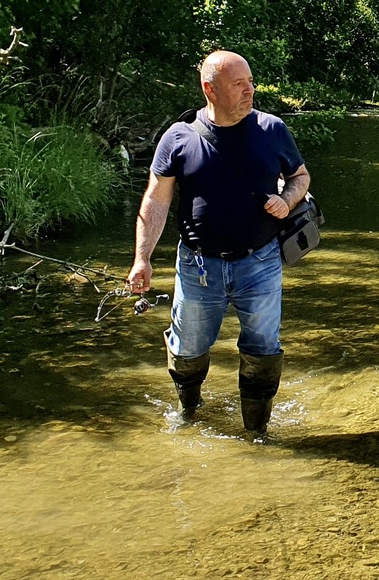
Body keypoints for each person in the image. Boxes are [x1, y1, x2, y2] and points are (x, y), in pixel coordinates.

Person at [127, 50, 311, 434]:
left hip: (259, 261)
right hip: (197, 266)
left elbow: (300, 176)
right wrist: (142, 260)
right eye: (239, 84)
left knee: (263, 350)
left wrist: (288, 199)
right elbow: (155, 200)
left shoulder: (272, 129)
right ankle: (188, 412)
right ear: (210, 89)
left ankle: (257, 435)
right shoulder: (178, 138)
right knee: (187, 350)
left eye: (251, 82)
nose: (250, 91)